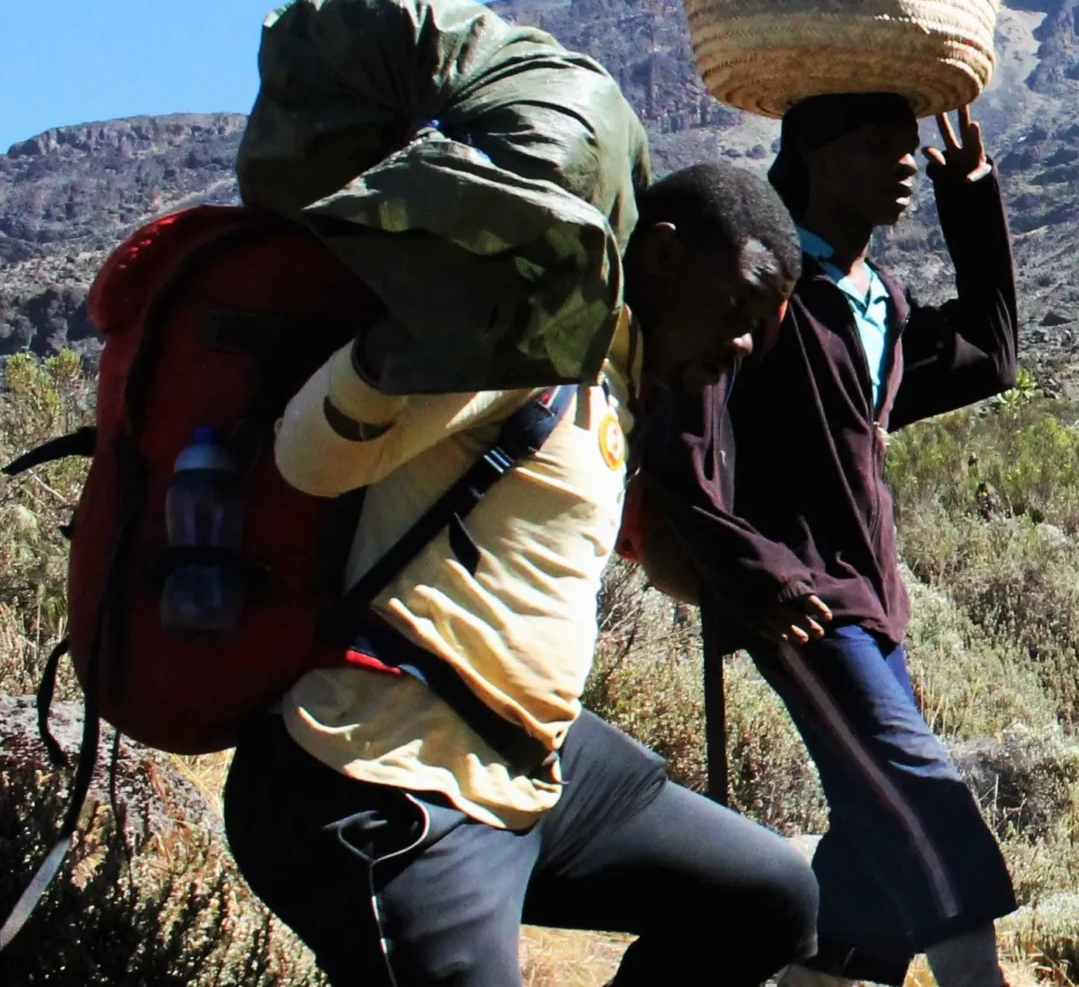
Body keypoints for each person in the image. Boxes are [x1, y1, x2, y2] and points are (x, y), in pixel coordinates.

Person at [223, 163, 819, 987]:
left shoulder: (616, 386)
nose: (743, 341)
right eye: (735, 308)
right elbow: (308, 458)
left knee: (769, 896)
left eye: (758, 324)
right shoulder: (529, 340)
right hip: (394, 776)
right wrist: (394, 350)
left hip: (536, 766)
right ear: (665, 255)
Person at [642, 93, 1020, 987]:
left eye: (906, 145)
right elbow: (678, 456)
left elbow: (992, 353)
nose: (902, 163)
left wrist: (971, 196)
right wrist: (757, 572)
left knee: (869, 834)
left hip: (874, 604)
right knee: (921, 792)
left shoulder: (877, 300)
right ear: (813, 157)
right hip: (802, 603)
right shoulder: (754, 294)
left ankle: (820, 972)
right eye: (876, 145)